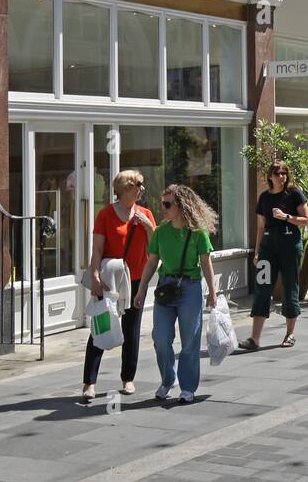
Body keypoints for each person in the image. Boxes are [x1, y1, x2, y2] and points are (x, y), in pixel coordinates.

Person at [135, 185, 217, 405]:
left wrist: (212, 292)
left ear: (182, 206)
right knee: (160, 339)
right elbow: (151, 262)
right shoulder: (161, 232)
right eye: (162, 203)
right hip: (165, 287)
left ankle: (188, 387)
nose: (163, 208)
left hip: (190, 288)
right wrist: (141, 289)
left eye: (168, 204)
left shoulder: (198, 232)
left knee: (190, 340)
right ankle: (168, 379)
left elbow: (206, 262)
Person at [82, 170, 155, 402]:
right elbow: (97, 250)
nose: (142, 190)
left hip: (136, 280)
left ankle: (128, 378)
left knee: (131, 330)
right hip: (109, 280)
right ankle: (89, 383)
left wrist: (149, 227)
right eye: (139, 186)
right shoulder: (105, 215)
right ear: (126, 189)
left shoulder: (145, 214)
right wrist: (94, 275)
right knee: (101, 325)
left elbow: (155, 250)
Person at [238, 162, 308, 352]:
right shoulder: (264, 198)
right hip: (268, 247)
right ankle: (254, 339)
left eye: (284, 173)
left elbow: (306, 220)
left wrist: (286, 217)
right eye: (277, 173)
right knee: (262, 288)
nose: (281, 177)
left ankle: (290, 333)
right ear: (270, 176)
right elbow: (261, 227)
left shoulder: (294, 194)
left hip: (290, 246)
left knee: (289, 286)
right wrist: (257, 252)